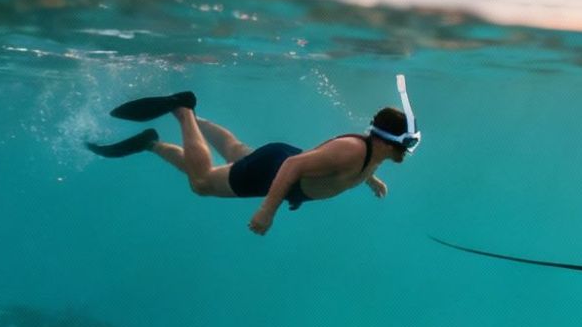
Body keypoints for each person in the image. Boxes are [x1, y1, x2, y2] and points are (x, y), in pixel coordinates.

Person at [86, 76, 421, 236]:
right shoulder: (351, 151)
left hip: (278, 161)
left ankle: (169, 132)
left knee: (236, 151)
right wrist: (266, 211)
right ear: (386, 141)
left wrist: (370, 179)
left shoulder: (372, 153)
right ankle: (183, 113)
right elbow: (294, 166)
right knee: (202, 182)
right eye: (403, 147)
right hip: (277, 171)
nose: (405, 154)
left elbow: (342, 166)